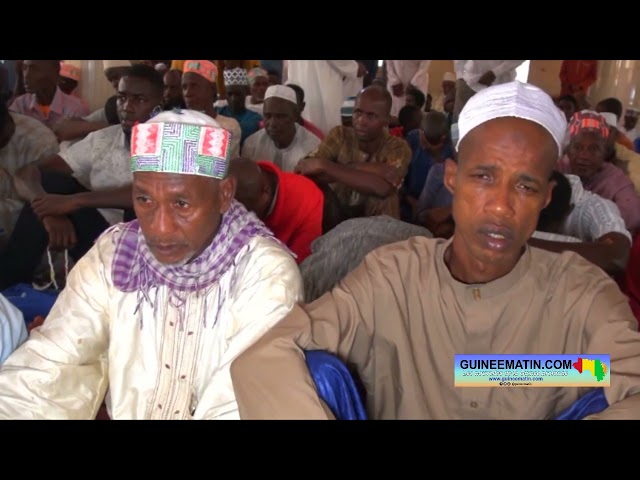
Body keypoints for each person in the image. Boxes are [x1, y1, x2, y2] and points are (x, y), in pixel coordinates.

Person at [230, 81, 640, 420]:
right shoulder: (393, 278)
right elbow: (268, 356)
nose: (501, 205)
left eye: (525, 186)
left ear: (546, 199)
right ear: (451, 179)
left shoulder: (580, 295)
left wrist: (549, 371)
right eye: (483, 177)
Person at [0, 109, 303, 419]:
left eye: (181, 204)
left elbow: (240, 402)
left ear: (224, 195)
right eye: (144, 201)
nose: (159, 228)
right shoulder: (115, 252)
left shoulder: (264, 272)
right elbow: (52, 364)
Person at [230, 157, 324, 263]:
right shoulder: (244, 183)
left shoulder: (308, 199)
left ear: (265, 194)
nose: (236, 217)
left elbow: (296, 267)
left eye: (242, 210)